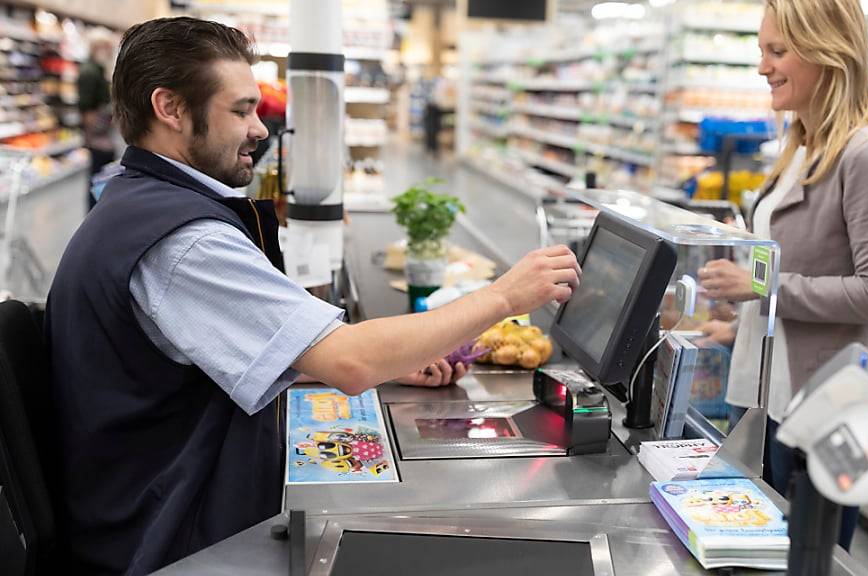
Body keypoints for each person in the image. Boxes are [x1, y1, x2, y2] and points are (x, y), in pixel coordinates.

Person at [45, 17, 581, 576]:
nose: (260, 128)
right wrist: (504, 295)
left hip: (153, 499)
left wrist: (374, 363)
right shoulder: (183, 244)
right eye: (240, 109)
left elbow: (204, 358)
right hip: (170, 537)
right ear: (171, 109)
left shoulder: (142, 204)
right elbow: (350, 361)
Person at [697, 0, 868, 551]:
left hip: (828, 410)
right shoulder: (799, 146)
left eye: (777, 50)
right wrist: (741, 283)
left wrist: (763, 287)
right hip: (771, 397)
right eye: (761, 51)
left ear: (827, 52)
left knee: (809, 559)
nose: (763, 66)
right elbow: (793, 261)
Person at [78, 29, 116, 210]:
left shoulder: (99, 69)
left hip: (103, 130)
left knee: (102, 172)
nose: (109, 52)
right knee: (97, 174)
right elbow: (86, 107)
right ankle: (95, 210)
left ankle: (99, 208)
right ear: (96, 47)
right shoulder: (89, 71)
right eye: (107, 47)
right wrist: (93, 129)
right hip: (97, 133)